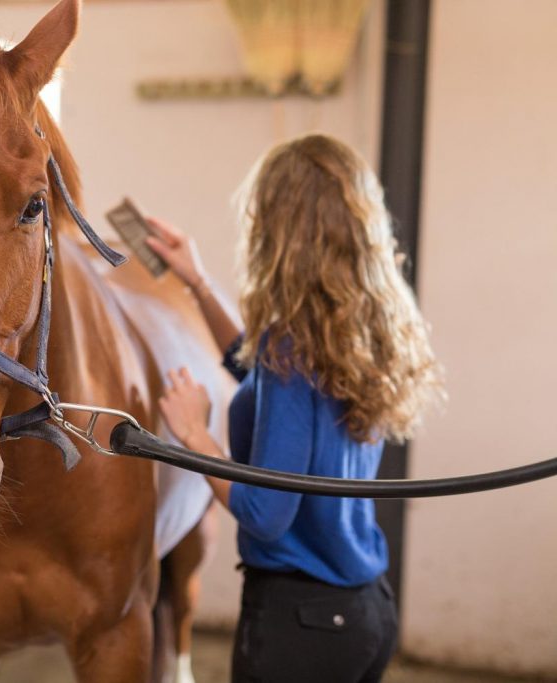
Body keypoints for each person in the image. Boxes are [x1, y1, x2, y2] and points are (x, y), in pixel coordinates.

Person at [146, 134, 445, 683]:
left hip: (299, 628)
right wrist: (197, 283)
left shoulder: (294, 349)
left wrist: (195, 436)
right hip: (365, 613)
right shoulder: (356, 331)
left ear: (282, 235)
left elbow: (265, 515)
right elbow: (257, 369)